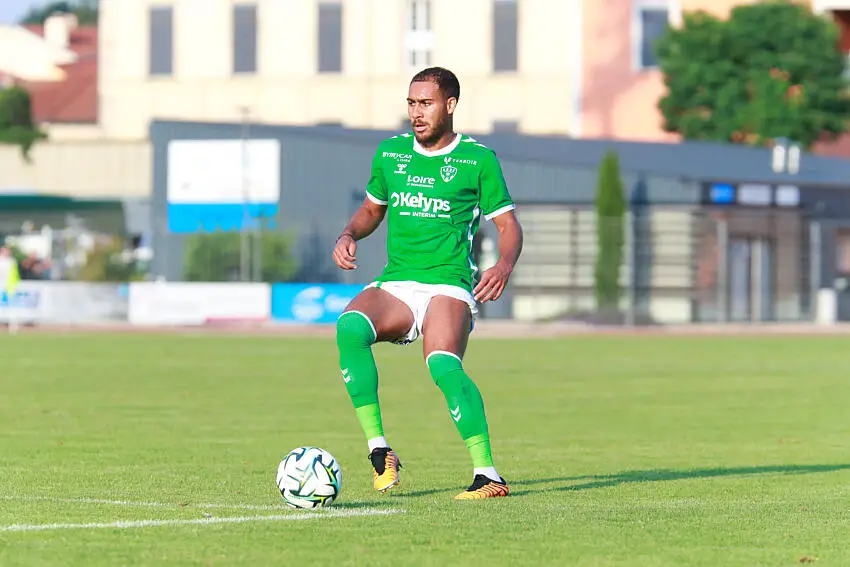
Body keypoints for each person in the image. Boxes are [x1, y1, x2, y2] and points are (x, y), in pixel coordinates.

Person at [331, 67, 523, 500]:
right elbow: (372, 209)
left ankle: (488, 475)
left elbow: (508, 225)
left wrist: (504, 265)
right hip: (397, 282)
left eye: (426, 104)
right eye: (412, 103)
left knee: (441, 364)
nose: (416, 113)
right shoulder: (391, 153)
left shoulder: (477, 160)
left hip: (448, 285)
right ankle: (379, 450)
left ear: (450, 105)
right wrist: (348, 234)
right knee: (349, 327)